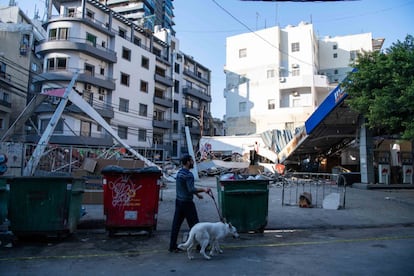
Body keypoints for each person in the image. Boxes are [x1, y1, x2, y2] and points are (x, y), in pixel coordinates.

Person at [168, 154, 211, 253]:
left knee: (176, 225)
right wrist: (204, 189)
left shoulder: (179, 173)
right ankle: (201, 245)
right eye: (191, 161)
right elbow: (191, 189)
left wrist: (197, 195)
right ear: (187, 162)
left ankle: (172, 246)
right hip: (187, 203)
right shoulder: (189, 175)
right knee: (196, 225)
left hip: (179, 202)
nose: (193, 162)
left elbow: (186, 187)